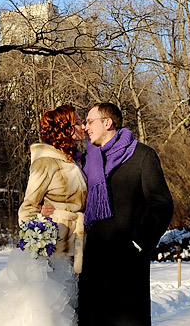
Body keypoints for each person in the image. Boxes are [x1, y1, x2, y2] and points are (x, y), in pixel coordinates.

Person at [0, 105, 88, 326]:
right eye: (76, 122)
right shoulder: (45, 162)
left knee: (71, 302)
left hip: (75, 241)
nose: (82, 126)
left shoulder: (74, 159)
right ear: (64, 129)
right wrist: (40, 223)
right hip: (56, 246)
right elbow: (27, 208)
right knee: (54, 306)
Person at [76, 102, 173, 326]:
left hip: (127, 266)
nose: (86, 127)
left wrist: (138, 243)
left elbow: (161, 204)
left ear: (107, 122)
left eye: (90, 122)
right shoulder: (86, 161)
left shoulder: (142, 156)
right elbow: (72, 198)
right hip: (91, 264)